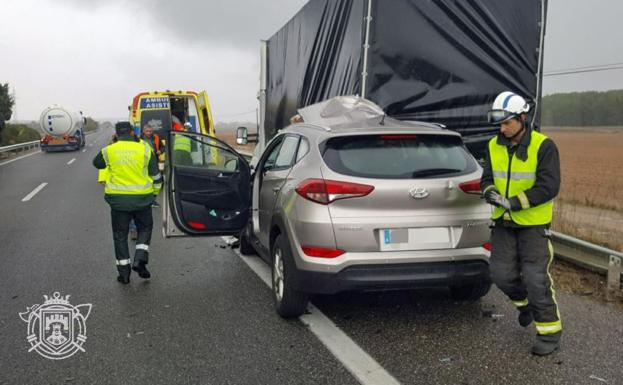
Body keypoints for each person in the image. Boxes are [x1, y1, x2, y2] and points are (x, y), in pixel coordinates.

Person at [481, 91, 562, 356]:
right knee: (501, 275)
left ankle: (549, 333)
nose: (502, 128)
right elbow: (487, 178)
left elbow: (549, 186)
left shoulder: (544, 146)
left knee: (536, 278)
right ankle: (524, 305)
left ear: (522, 118)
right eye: (499, 123)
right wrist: (489, 191)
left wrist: (514, 202)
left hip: (533, 226)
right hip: (503, 224)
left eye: (507, 123)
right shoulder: (493, 145)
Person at [92, 121, 162, 284]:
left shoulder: (109, 150)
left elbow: (97, 163)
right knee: (145, 229)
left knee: (120, 236)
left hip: (118, 202)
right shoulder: (145, 149)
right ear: (132, 132)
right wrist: (154, 194)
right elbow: (156, 176)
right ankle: (140, 260)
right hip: (142, 199)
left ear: (116, 134)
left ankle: (124, 274)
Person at [140, 123, 164, 208]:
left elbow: (162, 147)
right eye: (147, 131)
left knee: (156, 181)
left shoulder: (156, 137)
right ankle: (144, 199)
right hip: (142, 163)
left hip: (154, 161)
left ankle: (152, 200)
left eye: (150, 131)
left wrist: (160, 151)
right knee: (144, 182)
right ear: (143, 131)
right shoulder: (138, 139)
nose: (149, 133)